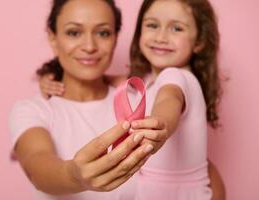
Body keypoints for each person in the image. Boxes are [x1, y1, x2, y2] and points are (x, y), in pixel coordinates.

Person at [38, 0, 226, 199]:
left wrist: (159, 127)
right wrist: (53, 77)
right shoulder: (145, 81)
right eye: (152, 25)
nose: (161, 37)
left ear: (199, 41)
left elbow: (168, 101)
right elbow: (102, 78)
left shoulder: (176, 77)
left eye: (177, 29)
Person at [9, 0, 166, 199]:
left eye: (103, 33)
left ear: (116, 38)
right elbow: (37, 167)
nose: (90, 46)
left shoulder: (142, 101)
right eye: (74, 32)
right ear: (53, 38)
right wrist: (75, 176)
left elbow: (197, 172)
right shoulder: (33, 110)